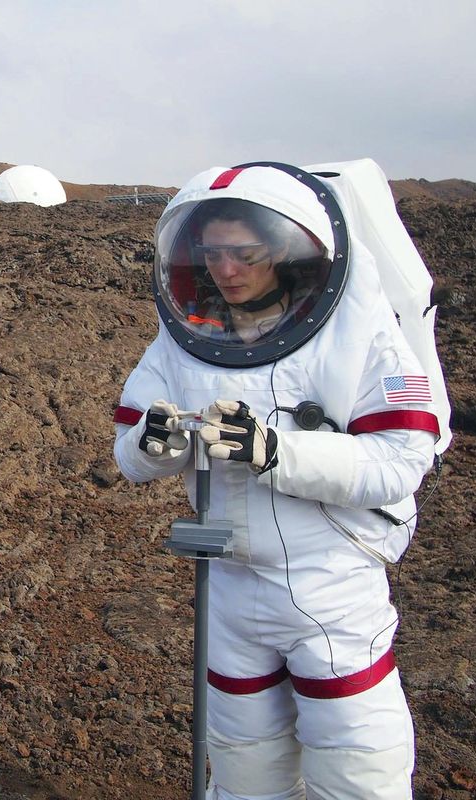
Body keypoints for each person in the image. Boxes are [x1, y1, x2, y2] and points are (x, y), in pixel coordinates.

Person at [114, 163, 445, 799]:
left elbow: (403, 458)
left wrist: (276, 452)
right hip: (230, 587)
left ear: (289, 253)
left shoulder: (356, 334)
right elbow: (128, 456)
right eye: (212, 255)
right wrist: (156, 446)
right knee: (242, 763)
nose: (226, 272)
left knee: (355, 761)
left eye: (246, 254)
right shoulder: (186, 336)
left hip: (329, 584)